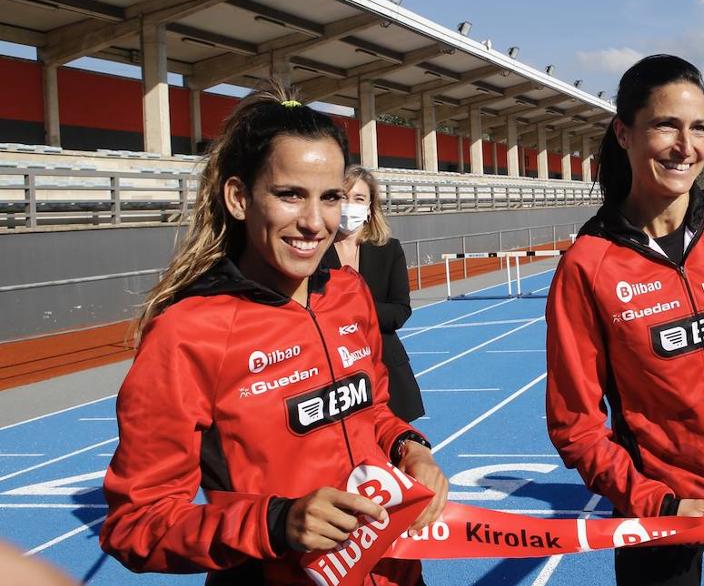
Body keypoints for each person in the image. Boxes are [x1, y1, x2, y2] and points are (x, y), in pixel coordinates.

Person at [100, 86, 448, 585]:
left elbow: (372, 411)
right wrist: (277, 523)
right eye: (290, 195)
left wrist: (411, 448)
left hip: (394, 572)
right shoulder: (188, 333)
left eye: (330, 197)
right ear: (239, 197)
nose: (313, 222)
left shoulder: (349, 293)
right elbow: (135, 526)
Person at [544, 54, 704, 586]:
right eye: (666, 125)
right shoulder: (587, 266)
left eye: (699, 128)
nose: (685, 147)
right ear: (624, 133)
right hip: (657, 515)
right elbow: (575, 425)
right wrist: (656, 502)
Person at [321, 166, 425, 422]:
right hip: (332, 373)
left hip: (387, 371)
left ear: (369, 207)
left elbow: (400, 311)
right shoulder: (314, 252)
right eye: (343, 197)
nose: (349, 205)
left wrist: (353, 307)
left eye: (358, 199)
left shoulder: (389, 250)